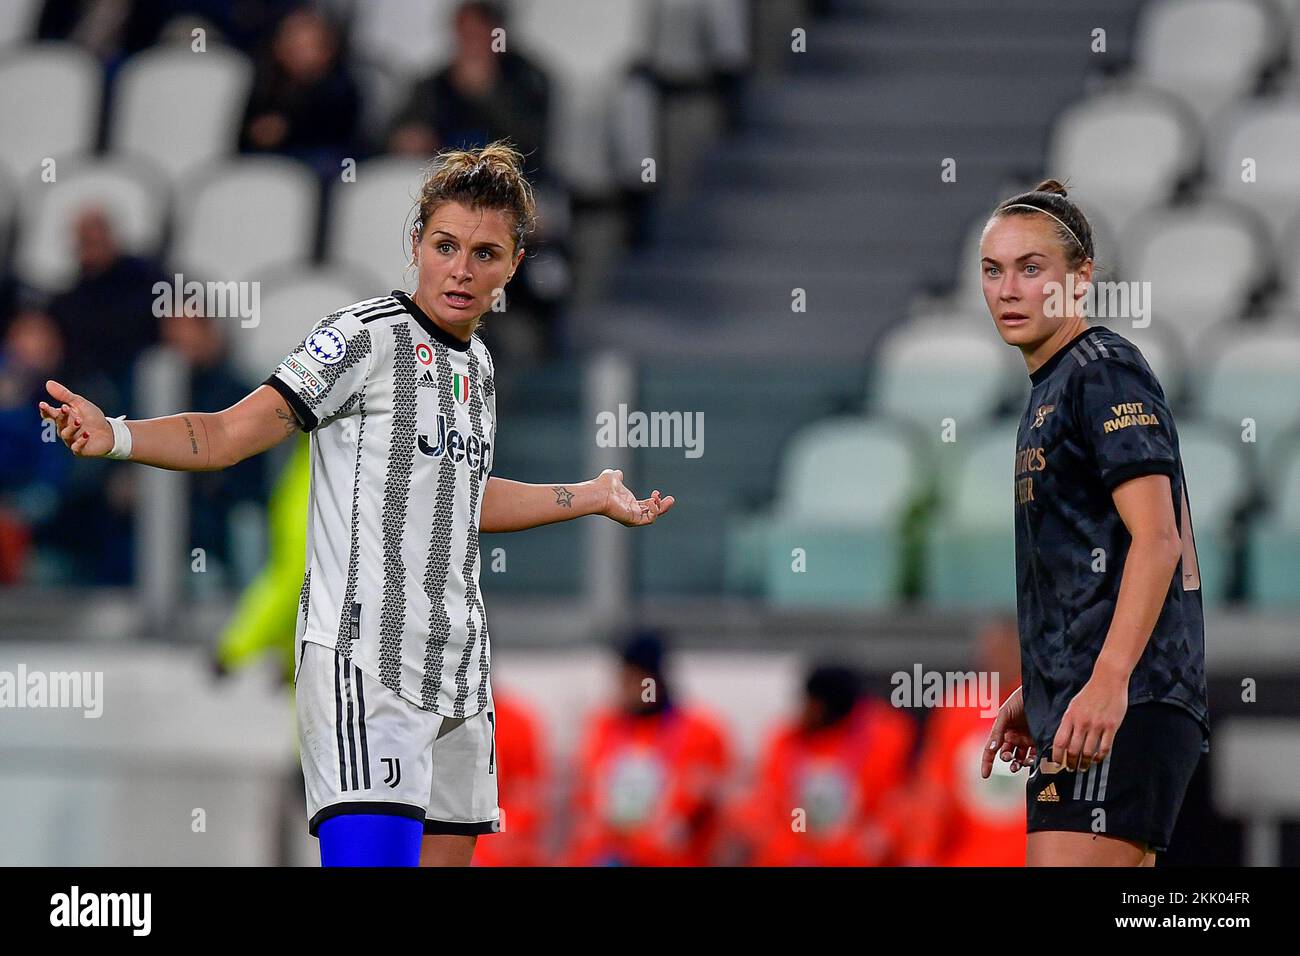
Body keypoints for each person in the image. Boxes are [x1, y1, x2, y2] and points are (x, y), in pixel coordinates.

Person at [38, 142, 675, 868]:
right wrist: (115, 434)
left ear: (513, 266)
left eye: (485, 253)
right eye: (446, 246)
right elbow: (225, 435)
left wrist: (587, 496)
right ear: (416, 245)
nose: (462, 270)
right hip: (366, 668)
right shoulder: (361, 339)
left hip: (459, 675)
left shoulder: (482, 368)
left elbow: (459, 500)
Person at [976, 179, 1209, 867]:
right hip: (1090, 701)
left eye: (1031, 268)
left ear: (1081, 280)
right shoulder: (1052, 387)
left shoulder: (1102, 370)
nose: (1008, 289)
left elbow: (1159, 538)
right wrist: (1044, 684)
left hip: (1125, 701)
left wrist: (1105, 680)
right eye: (993, 270)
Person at [563, 632, 731, 866]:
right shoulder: (603, 729)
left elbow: (689, 817)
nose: (624, 686)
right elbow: (588, 803)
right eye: (623, 677)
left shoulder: (700, 733)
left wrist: (636, 851)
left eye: (633, 678)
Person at [731, 664, 915, 866]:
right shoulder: (785, 739)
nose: (805, 711)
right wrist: (792, 852)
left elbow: (897, 804)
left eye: (813, 704)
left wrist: (865, 844)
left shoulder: (884, 739)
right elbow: (772, 808)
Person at [896, 618, 1026, 866]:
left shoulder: (1046, 705)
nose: (995, 659)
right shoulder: (957, 706)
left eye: (1004, 650)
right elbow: (934, 788)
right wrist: (920, 854)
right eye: (989, 651)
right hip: (967, 857)